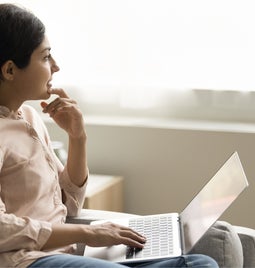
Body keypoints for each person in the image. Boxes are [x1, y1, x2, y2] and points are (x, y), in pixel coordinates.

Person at [0, 3, 219, 268]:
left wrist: (77, 137)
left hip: (66, 252)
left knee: (199, 263)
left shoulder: (31, 118)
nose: (56, 67)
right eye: (45, 57)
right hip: (25, 259)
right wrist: (90, 233)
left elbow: (68, 208)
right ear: (10, 70)